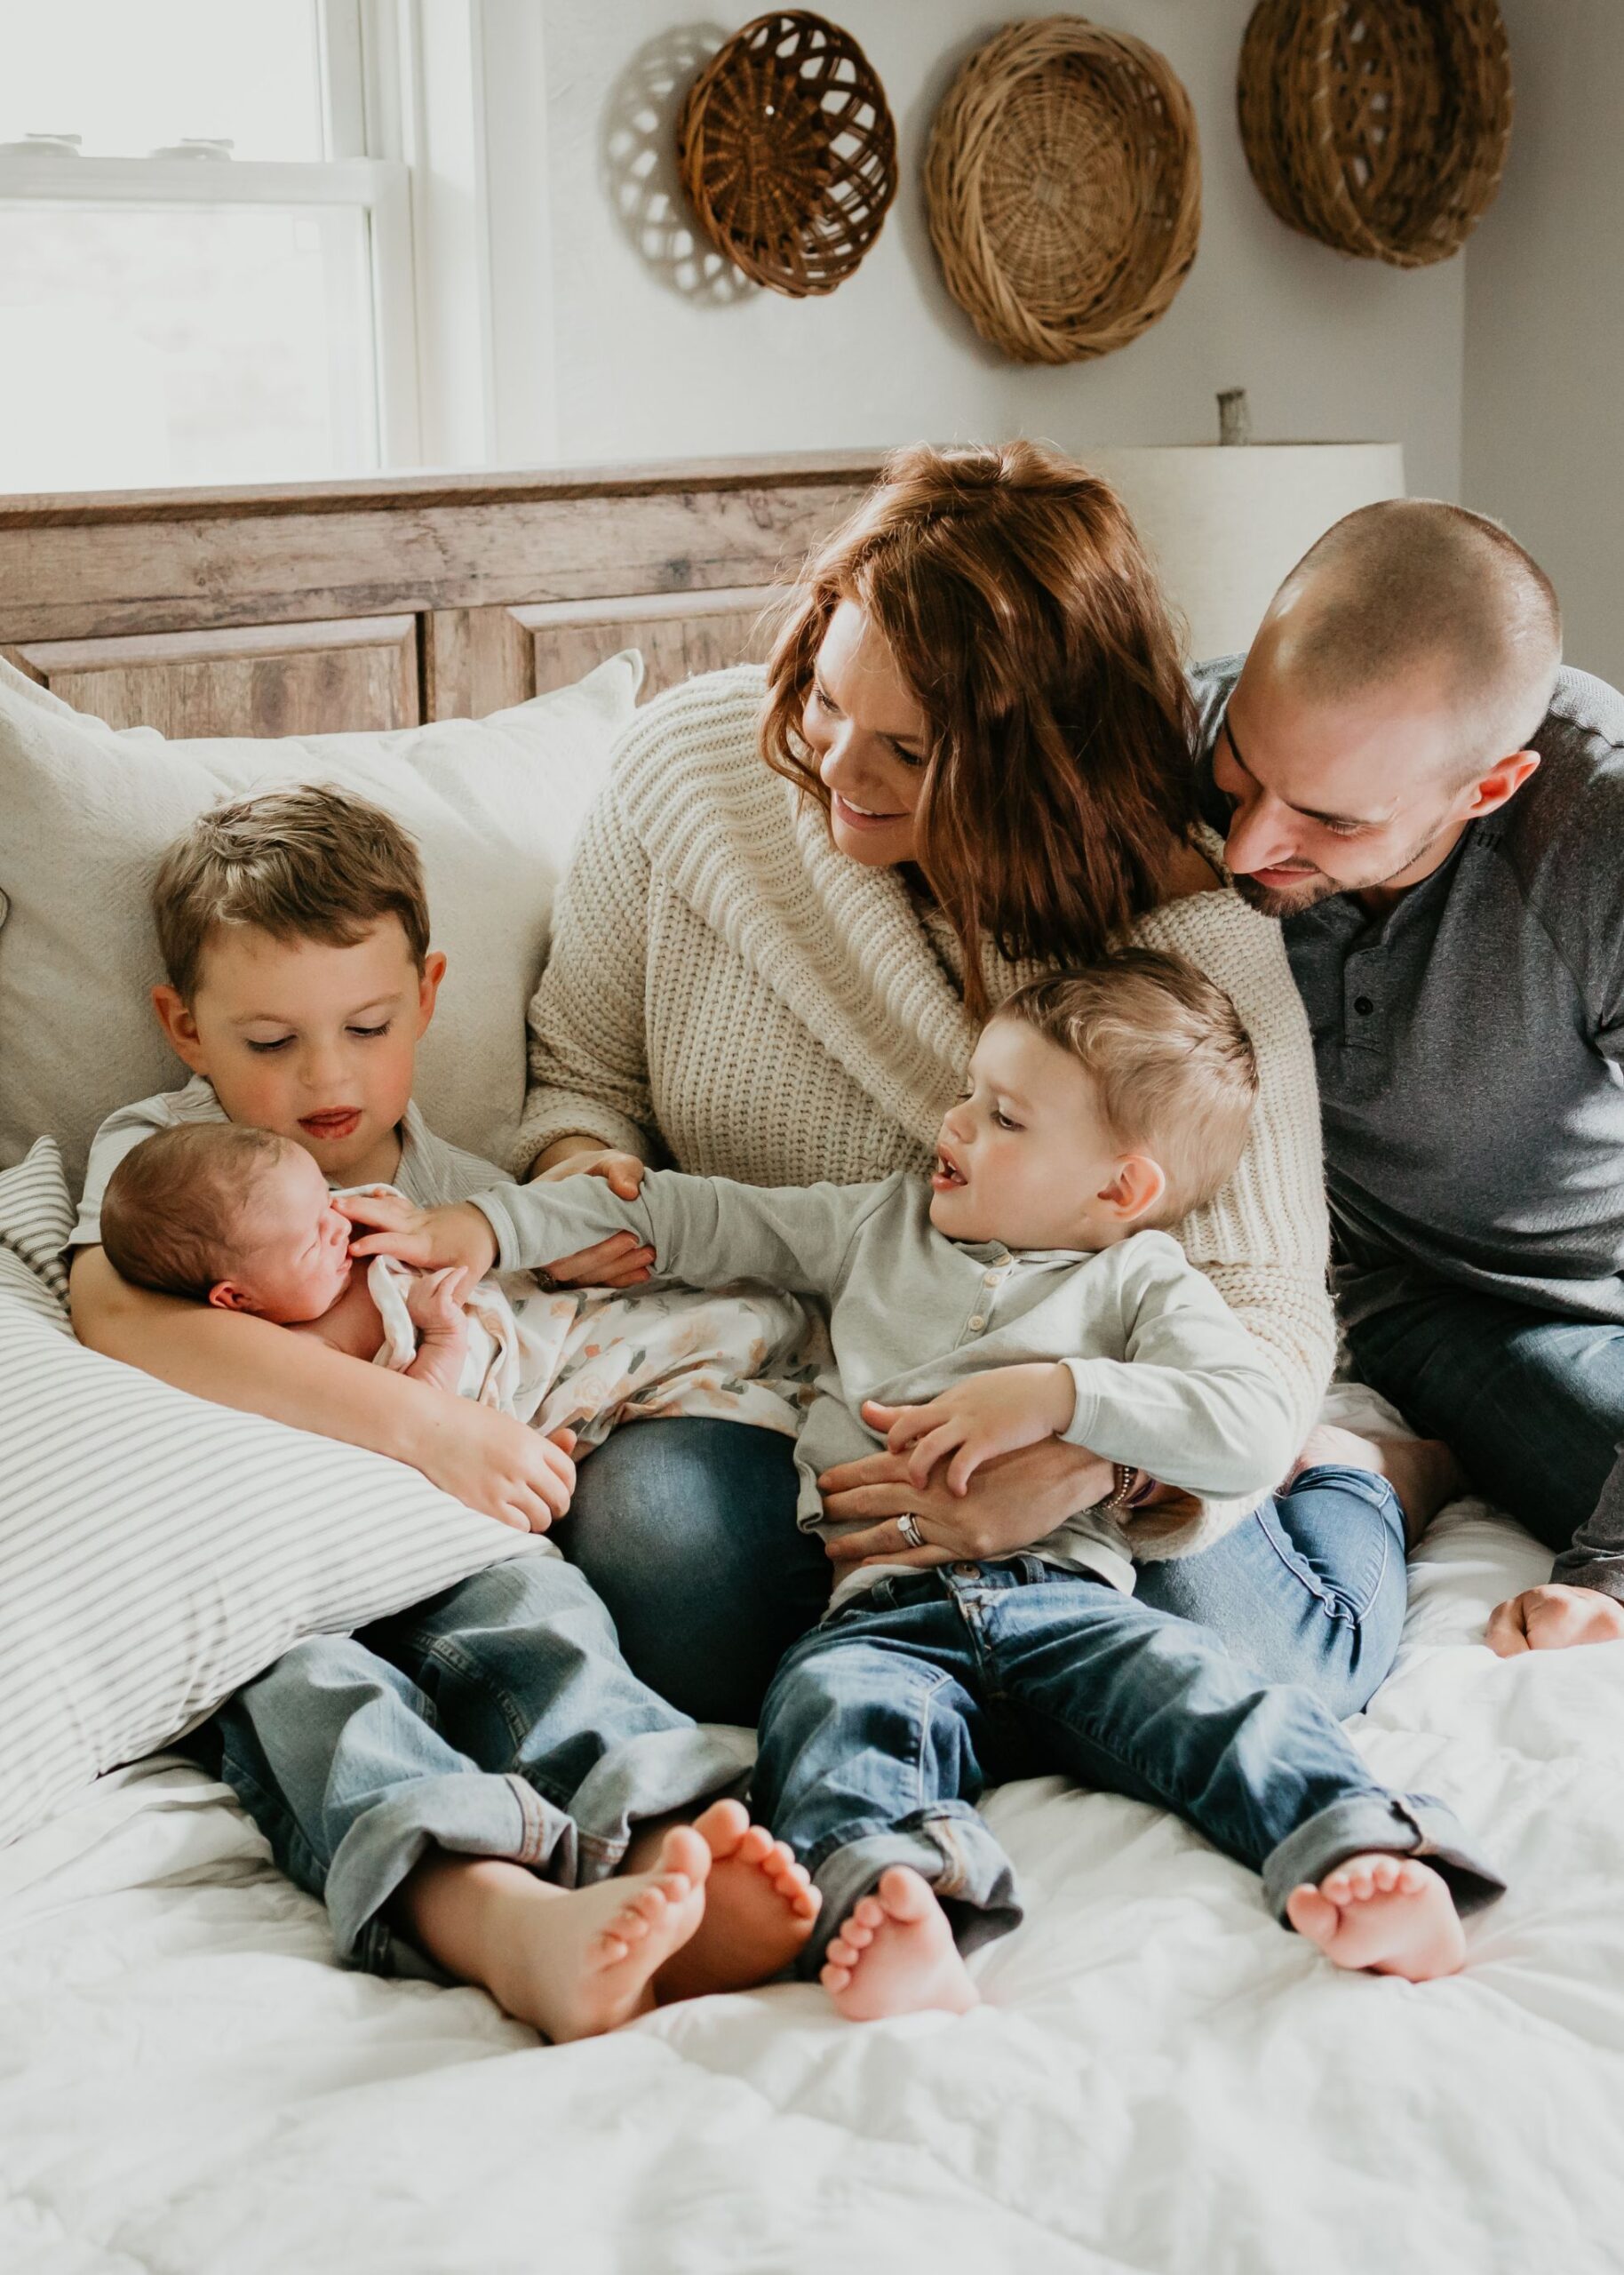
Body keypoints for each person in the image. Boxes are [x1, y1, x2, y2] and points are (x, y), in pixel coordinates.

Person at [345, 948, 1503, 2005]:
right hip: (878, 1614)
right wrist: (493, 1228)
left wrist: (1063, 1397)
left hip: (1073, 1604)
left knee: (1224, 1702)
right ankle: (904, 1898)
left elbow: (1249, 1423)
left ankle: (1363, 1849)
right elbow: (697, 1216)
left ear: (1121, 1190)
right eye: (969, 1092)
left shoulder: (1145, 1286)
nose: (951, 1125)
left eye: (1002, 1117)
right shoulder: (880, 1227)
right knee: (827, 1723)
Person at [513, 440, 1446, 1727]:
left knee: (1268, 1672)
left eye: (909, 748)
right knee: (679, 1597)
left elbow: (1266, 1307)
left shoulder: (1179, 935)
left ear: (1042, 755)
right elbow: (576, 1077)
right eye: (827, 701)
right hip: (783, 1371)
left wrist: (1085, 1464)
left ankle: (1361, 1471)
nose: (838, 769)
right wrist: (583, 1181)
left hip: (1074, 1368)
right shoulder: (691, 771)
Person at [68, 786, 819, 2040]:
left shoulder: (463, 1198)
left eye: (368, 1026)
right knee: (316, 1696)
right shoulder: (163, 1160)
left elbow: (560, 1323)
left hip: (457, 1548)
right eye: (269, 1042)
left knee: (551, 1627)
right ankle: (496, 1921)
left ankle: (665, 1841)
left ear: (427, 995)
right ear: (182, 1028)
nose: (327, 1078)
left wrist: (585, 1240)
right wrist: (431, 1430)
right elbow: (126, 1317)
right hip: (279, 1570)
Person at [1195, 499, 1624, 1661]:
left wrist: (1614, 1572)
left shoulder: (1604, 833)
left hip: (1542, 1303)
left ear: (1486, 790)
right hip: (1281, 1280)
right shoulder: (1181, 738)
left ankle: (1413, 1463)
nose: (1244, 850)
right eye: (1245, 771)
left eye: (1329, 822)